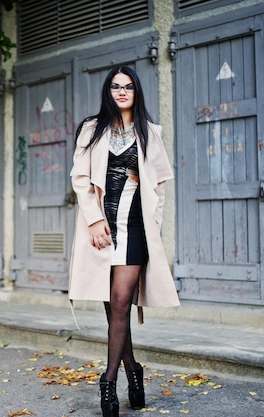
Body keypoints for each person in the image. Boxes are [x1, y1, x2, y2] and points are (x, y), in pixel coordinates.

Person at [68, 66, 180, 417]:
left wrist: (154, 228)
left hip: (135, 227)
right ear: (108, 91)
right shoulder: (92, 129)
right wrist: (95, 219)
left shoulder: (150, 132)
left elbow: (159, 188)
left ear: (136, 92)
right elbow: (81, 179)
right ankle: (134, 370)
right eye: (115, 86)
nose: (121, 91)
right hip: (101, 228)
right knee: (111, 303)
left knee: (120, 301)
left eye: (128, 87)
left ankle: (109, 380)